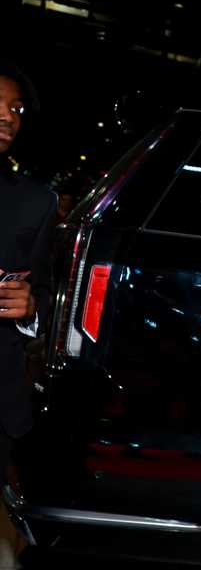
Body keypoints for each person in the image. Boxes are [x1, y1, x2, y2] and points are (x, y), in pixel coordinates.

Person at [0, 61, 56, 565]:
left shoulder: (36, 201)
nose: (8, 117)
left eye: (15, 108)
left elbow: (40, 285)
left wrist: (31, 307)